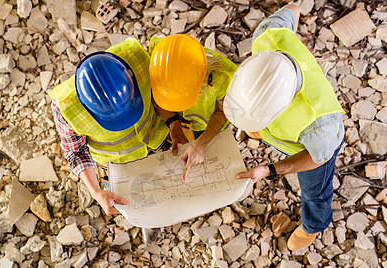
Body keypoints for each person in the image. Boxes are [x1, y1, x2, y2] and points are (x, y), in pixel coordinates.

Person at [223, 4, 345, 250]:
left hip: (312, 151)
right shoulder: (268, 35)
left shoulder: (320, 125)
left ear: (281, 108)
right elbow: (294, 8)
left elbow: (317, 158)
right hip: (290, 131)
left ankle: (314, 225)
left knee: (315, 191)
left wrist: (270, 170)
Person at [48, 38, 169, 216]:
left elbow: (164, 91)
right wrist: (96, 192)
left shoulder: (138, 56)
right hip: (119, 165)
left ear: (130, 74)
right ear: (84, 104)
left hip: (161, 138)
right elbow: (76, 152)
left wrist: (173, 123)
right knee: (142, 204)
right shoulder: (66, 108)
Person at [148, 34, 237, 180]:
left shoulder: (226, 80)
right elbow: (157, 96)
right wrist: (173, 123)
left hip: (208, 121)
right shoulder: (160, 55)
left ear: (202, 84)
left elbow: (223, 113)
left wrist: (201, 144)